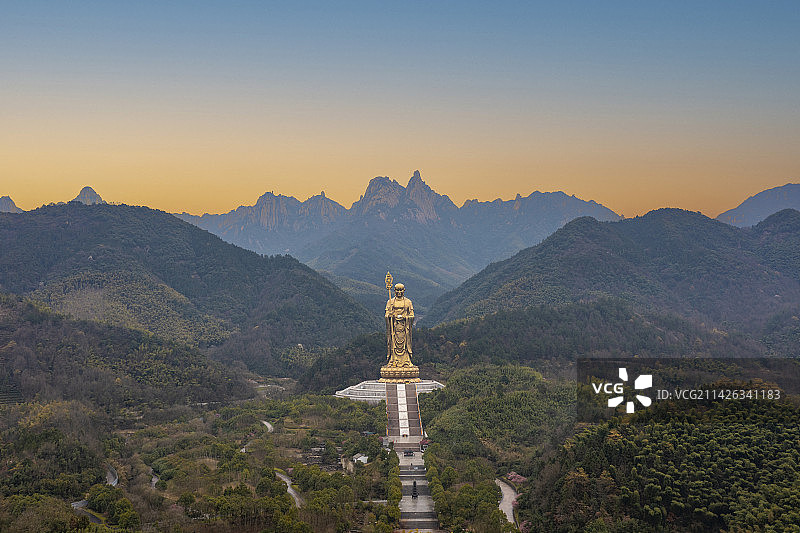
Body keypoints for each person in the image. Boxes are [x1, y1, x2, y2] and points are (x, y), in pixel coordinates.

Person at [385, 283, 414, 367]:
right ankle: (393, 360)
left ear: (404, 290)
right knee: (393, 345)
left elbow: (411, 315)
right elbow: (386, 314)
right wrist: (389, 316)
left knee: (404, 346)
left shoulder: (408, 302)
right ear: (394, 291)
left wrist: (405, 317)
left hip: (404, 328)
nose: (399, 292)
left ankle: (406, 361)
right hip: (394, 328)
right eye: (397, 290)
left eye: (401, 290)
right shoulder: (390, 302)